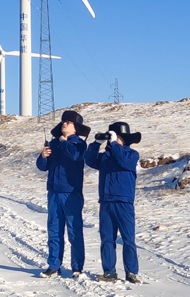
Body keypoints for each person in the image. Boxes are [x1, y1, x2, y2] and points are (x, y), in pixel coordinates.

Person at [85, 121, 142, 284]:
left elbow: (124, 162)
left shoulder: (132, 154)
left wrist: (114, 144)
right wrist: (96, 144)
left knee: (128, 239)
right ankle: (109, 272)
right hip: (106, 201)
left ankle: (131, 272)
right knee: (107, 238)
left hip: (124, 202)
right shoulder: (105, 157)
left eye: (115, 137)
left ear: (122, 138)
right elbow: (89, 160)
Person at [36, 110, 90, 278]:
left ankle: (77, 267)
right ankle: (54, 266)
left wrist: (64, 142)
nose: (64, 124)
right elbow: (42, 167)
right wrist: (42, 157)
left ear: (76, 128)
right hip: (53, 193)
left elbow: (74, 155)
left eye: (69, 122)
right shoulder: (53, 143)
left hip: (71, 194)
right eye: (64, 121)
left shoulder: (80, 144)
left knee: (74, 232)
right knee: (54, 231)